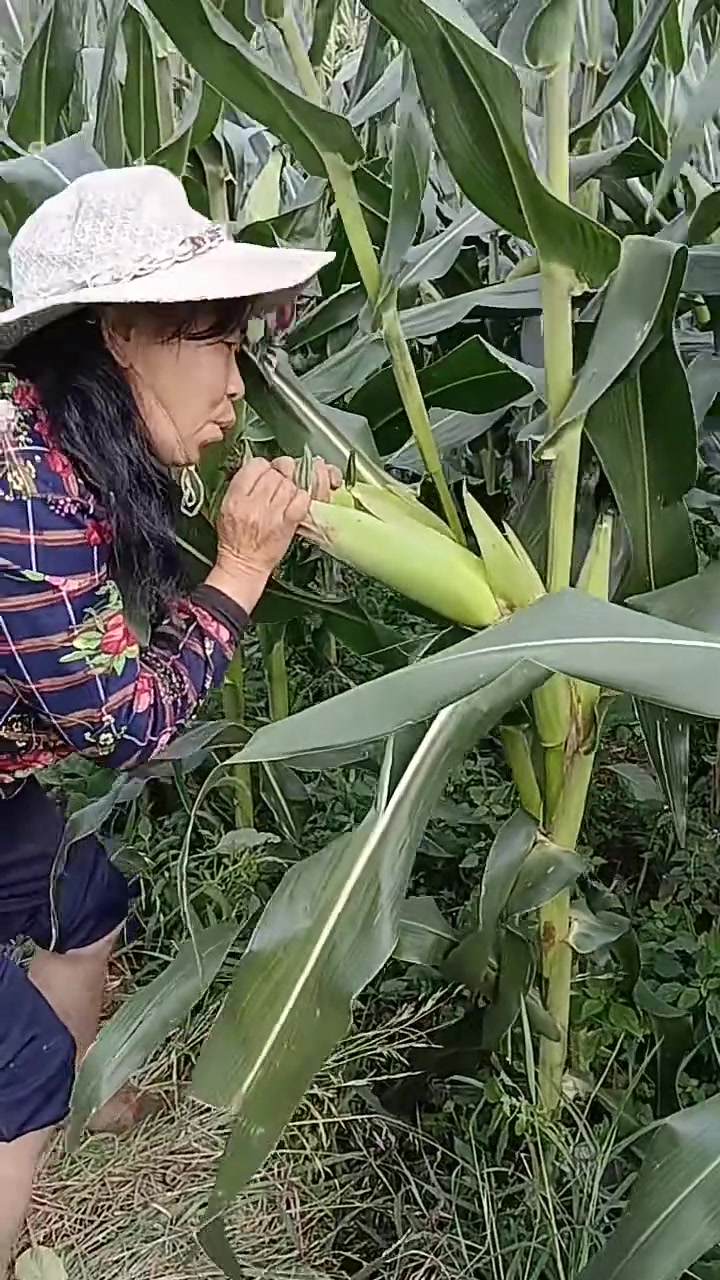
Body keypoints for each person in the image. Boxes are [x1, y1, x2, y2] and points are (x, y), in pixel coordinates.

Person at [0, 164, 341, 1273]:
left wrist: (290, 515)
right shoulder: (26, 501)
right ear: (122, 333)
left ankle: (84, 1097)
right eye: (220, 341)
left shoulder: (64, 443)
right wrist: (241, 569)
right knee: (17, 1059)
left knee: (84, 896)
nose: (236, 382)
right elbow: (127, 720)